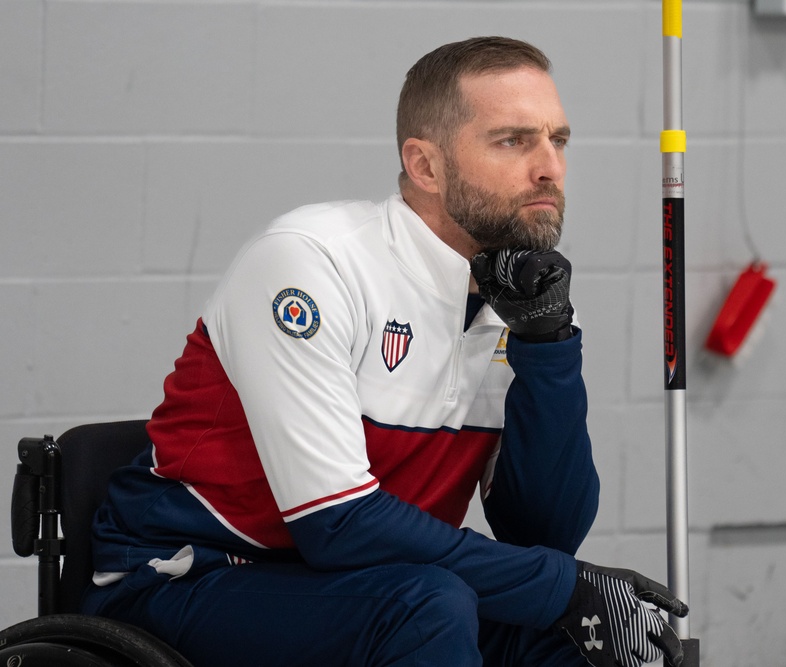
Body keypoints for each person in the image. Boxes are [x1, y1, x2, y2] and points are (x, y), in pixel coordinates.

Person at [83, 36, 688, 667]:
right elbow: (337, 525)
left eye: (557, 140)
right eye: (513, 140)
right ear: (425, 166)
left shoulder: (524, 300)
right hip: (185, 577)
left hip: (363, 585)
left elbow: (545, 535)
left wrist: (548, 346)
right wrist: (564, 587)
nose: (549, 168)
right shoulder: (311, 261)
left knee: (603, 643)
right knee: (431, 606)